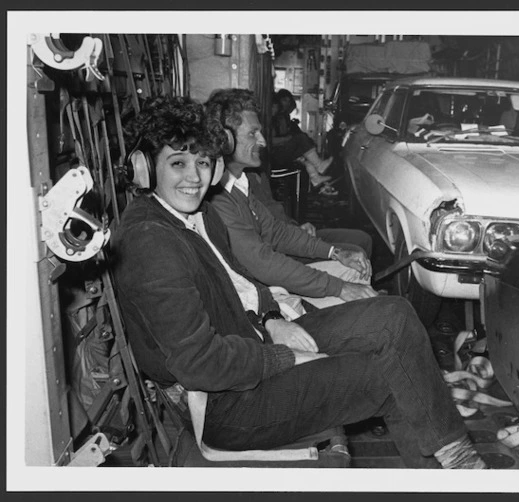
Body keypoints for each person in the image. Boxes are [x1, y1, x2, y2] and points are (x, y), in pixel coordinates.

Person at [112, 95, 486, 469]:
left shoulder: (198, 214)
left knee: (396, 315)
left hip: (251, 342)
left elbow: (244, 281)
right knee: (389, 378)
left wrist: (271, 318)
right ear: (144, 169)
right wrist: (285, 357)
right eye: (178, 163)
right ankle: (455, 476)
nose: (194, 178)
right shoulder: (151, 242)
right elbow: (200, 364)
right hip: (224, 406)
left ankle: (456, 457)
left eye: (203, 163)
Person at [205, 88, 376, 309]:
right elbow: (264, 264)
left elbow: (277, 232)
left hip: (271, 284)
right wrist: (339, 288)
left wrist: (336, 253)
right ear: (224, 139)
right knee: (382, 310)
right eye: (252, 134)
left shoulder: (240, 184)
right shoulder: (219, 199)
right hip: (262, 302)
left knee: (356, 268)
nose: (263, 142)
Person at [246, 168, 373, 260]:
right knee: (356, 252)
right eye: (253, 133)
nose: (261, 141)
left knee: (363, 239)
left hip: (291, 233)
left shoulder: (258, 173)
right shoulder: (238, 188)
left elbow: (275, 213)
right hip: (281, 249)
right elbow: (267, 236)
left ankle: (367, 288)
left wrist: (296, 226)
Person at [271, 88, 337, 195]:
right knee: (300, 138)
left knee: (305, 154)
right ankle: (319, 165)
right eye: (284, 101)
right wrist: (287, 139)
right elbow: (271, 141)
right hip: (274, 156)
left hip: (279, 152)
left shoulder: (282, 116)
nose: (286, 104)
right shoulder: (270, 119)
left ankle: (315, 178)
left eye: (288, 101)